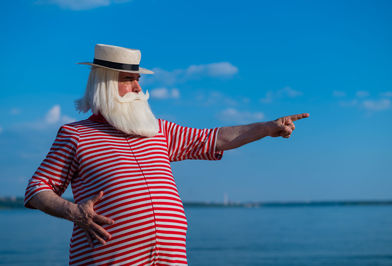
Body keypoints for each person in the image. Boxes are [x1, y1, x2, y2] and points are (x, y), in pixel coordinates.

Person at [24, 44, 310, 265]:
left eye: (138, 80)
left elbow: (214, 138)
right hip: (108, 258)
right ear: (106, 84)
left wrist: (268, 128)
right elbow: (37, 189)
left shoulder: (157, 129)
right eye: (129, 80)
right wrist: (75, 212)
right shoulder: (75, 135)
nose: (138, 88)